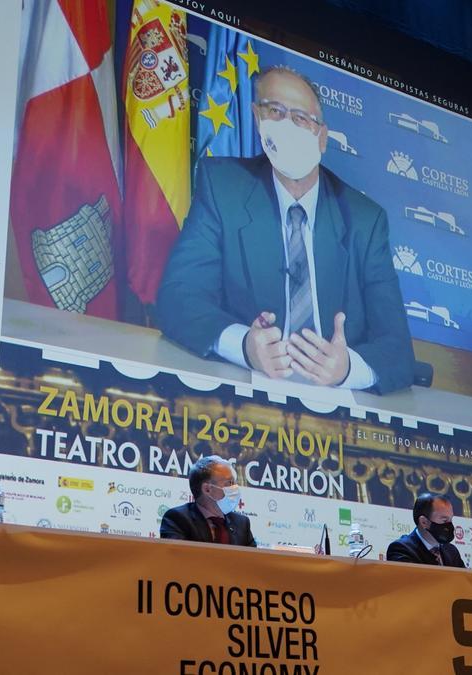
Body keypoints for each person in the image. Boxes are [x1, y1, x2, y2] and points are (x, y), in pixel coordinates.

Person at [157, 65, 414, 394]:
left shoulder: (365, 220)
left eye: (301, 118)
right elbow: (178, 297)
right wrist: (246, 345)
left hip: (338, 407)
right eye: (275, 111)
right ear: (257, 118)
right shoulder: (223, 188)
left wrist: (347, 368)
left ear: (322, 137)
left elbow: (397, 347)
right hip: (241, 396)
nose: (287, 126)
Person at [160, 455, 256, 546]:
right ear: (207, 489)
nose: (234, 487)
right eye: (229, 482)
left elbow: (253, 561)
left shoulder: (242, 523)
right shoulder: (177, 518)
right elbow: (176, 558)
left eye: (235, 482)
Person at [386, 493, 466, 567]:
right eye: (444, 521)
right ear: (424, 522)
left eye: (451, 520)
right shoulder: (401, 549)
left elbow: (464, 580)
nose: (450, 525)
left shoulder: (451, 551)